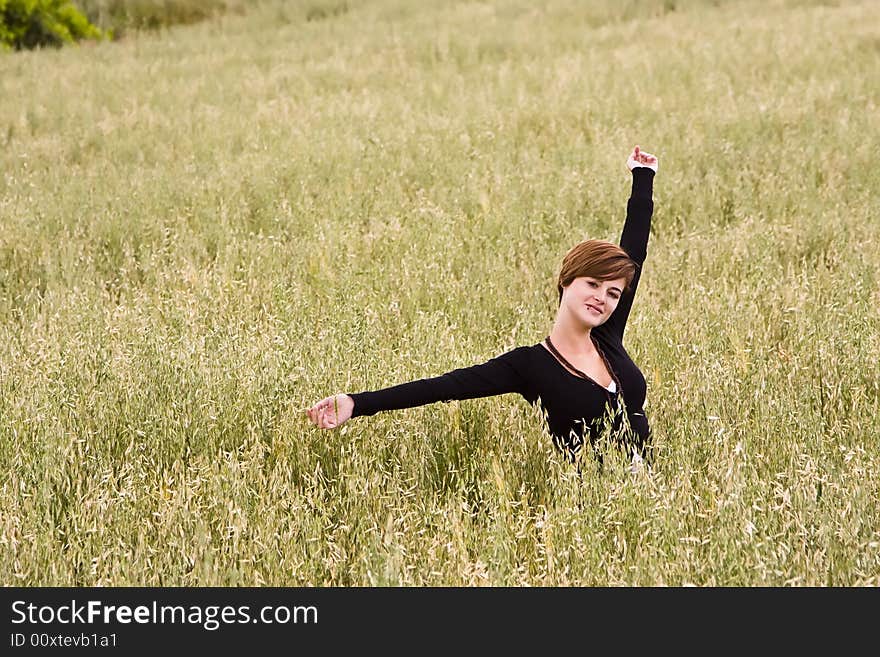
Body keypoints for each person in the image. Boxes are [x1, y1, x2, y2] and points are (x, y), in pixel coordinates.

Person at [307, 146, 658, 465]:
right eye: (593, 284)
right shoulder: (530, 366)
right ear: (566, 282)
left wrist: (643, 177)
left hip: (654, 501)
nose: (602, 297)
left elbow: (633, 253)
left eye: (613, 293)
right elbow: (444, 386)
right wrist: (357, 403)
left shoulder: (607, 337)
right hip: (596, 509)